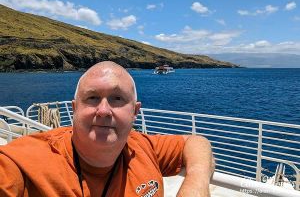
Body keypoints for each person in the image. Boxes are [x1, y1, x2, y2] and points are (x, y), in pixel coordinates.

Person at [0, 61, 214, 197]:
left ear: (135, 111)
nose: (103, 110)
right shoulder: (21, 163)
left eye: (117, 99)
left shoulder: (143, 147)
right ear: (74, 109)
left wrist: (196, 184)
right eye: (92, 98)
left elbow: (196, 143)